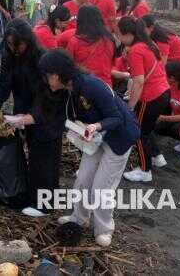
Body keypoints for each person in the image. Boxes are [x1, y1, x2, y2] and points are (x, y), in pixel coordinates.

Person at [39, 49, 139, 247]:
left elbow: (116, 117)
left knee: (102, 187)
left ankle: (104, 229)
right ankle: (79, 217)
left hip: (118, 137)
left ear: (57, 75)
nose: (46, 80)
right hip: (95, 139)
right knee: (83, 178)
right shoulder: (69, 89)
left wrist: (96, 126)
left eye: (47, 75)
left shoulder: (90, 85)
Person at [0, 18, 64, 217]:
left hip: (46, 114)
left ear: (28, 40)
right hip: (23, 111)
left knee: (45, 158)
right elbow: (4, 84)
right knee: (33, 155)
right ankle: (36, 196)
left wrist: (30, 117)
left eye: (17, 44)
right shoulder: (9, 55)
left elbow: (46, 94)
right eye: (10, 44)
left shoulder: (42, 58)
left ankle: (45, 204)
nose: (14, 48)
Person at [117, 16, 171, 182]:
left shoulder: (136, 50)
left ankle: (145, 170)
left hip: (150, 96)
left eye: (119, 34)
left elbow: (139, 81)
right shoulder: (150, 44)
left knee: (138, 132)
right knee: (146, 129)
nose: (118, 38)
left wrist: (131, 106)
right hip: (163, 91)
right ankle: (157, 157)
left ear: (127, 34)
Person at [66, 6, 115, 87]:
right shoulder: (109, 40)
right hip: (106, 87)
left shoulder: (75, 41)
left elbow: (68, 66)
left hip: (84, 87)